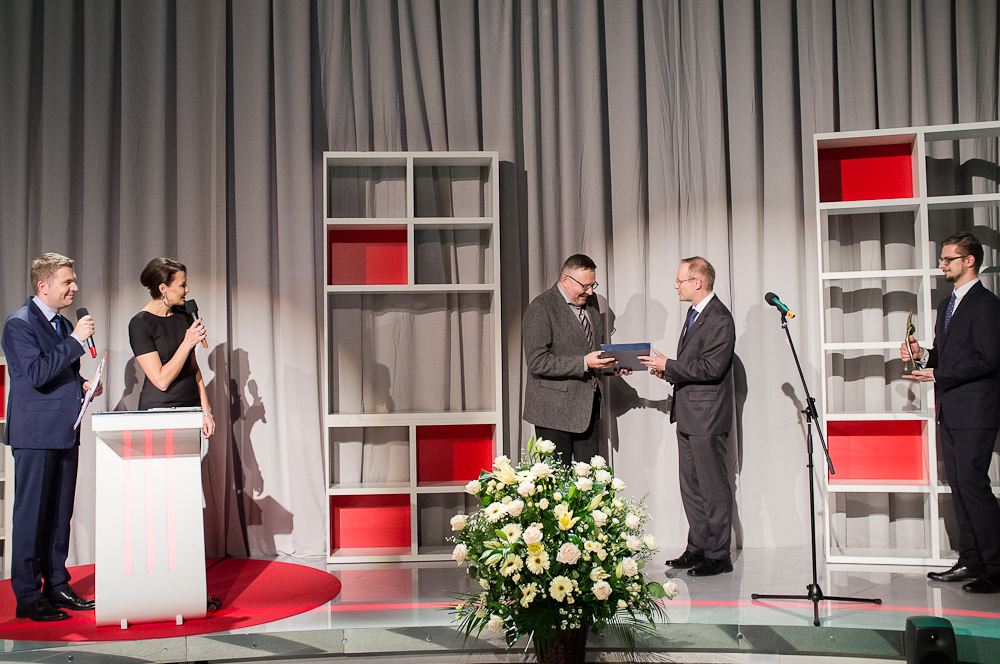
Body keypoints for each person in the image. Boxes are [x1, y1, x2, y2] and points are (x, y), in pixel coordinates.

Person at [1, 253, 103, 621]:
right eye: (67, 281)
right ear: (43, 286)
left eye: (73, 280)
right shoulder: (19, 324)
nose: (74, 287)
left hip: (63, 430)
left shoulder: (62, 324)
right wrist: (75, 340)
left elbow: (59, 374)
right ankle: (28, 596)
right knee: (32, 517)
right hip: (35, 434)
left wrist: (83, 384)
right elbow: (37, 373)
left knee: (60, 517)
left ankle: (57, 584)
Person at [901, 231, 1000, 593]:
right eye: (942, 258)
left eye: (948, 258)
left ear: (969, 261)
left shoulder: (986, 305)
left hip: (976, 410)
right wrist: (923, 355)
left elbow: (988, 359)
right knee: (959, 487)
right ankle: (971, 560)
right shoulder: (947, 305)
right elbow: (946, 356)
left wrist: (938, 374)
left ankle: (996, 566)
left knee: (974, 486)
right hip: (951, 408)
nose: (941, 264)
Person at [639, 257, 736, 577]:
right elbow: (695, 365)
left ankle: (718, 555)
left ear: (698, 282)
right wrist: (668, 371)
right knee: (692, 487)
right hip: (689, 414)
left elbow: (712, 368)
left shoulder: (719, 318)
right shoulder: (694, 314)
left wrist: (670, 365)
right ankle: (698, 548)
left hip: (707, 418)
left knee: (713, 487)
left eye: (680, 280)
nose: (676, 286)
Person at [522, 254, 622, 463]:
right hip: (553, 413)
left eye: (593, 285)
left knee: (588, 479)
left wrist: (611, 366)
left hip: (588, 409)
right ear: (565, 280)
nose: (590, 292)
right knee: (557, 481)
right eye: (585, 286)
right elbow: (538, 362)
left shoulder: (591, 302)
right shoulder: (541, 307)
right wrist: (584, 362)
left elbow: (591, 348)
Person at [128, 258, 215, 438]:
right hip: (160, 410)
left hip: (191, 407)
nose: (187, 290)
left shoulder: (184, 315)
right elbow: (161, 381)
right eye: (182, 285)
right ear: (163, 288)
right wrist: (187, 343)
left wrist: (206, 410)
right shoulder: (140, 324)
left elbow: (193, 367)